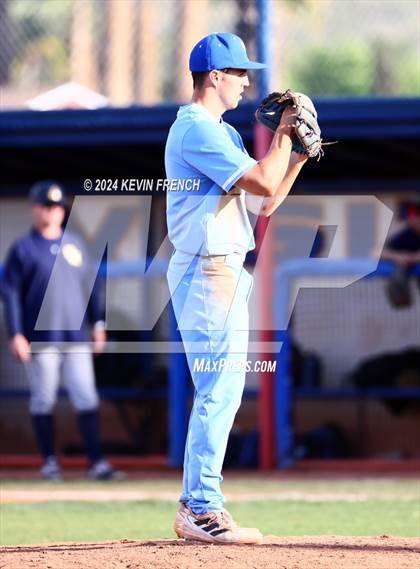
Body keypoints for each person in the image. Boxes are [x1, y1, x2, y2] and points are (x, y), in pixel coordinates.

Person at [165, 32, 308, 543]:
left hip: (223, 269)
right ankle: (201, 507)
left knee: (223, 388)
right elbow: (263, 182)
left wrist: (296, 156)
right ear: (214, 76)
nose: (247, 82)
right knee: (218, 388)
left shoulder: (222, 132)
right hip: (206, 269)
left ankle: (198, 503)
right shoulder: (196, 129)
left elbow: (265, 201)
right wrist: (284, 132)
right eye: (239, 72)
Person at [1, 180, 122, 481]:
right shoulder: (23, 249)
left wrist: (98, 323)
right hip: (41, 339)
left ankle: (96, 462)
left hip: (76, 337)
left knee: (86, 397)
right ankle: (50, 462)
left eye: (56, 206)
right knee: (43, 399)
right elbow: (11, 294)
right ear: (35, 208)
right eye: (46, 206)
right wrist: (16, 333)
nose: (52, 211)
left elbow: (93, 286)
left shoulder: (75, 245)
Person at [382, 198, 420, 307]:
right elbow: (377, 252)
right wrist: (398, 256)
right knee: (398, 270)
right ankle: (401, 300)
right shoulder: (407, 234)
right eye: (412, 216)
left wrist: (413, 258)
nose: (414, 219)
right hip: (407, 267)